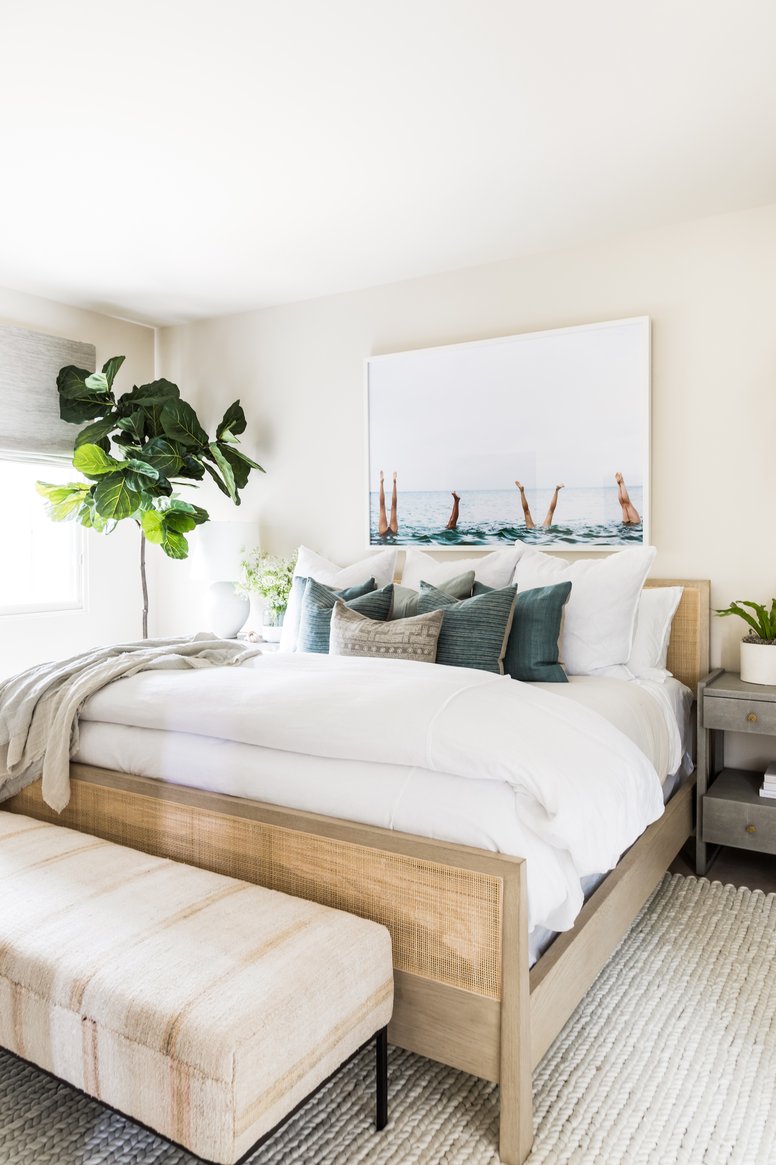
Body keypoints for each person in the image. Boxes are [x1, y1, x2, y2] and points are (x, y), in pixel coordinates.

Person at [377, 470, 398, 537]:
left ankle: (381, 482)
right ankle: (394, 482)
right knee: (393, 507)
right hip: (393, 533)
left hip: (383, 533)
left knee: (382, 507)